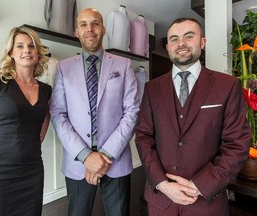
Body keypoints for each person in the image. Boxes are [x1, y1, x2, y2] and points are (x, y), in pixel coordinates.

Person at [135, 18, 251, 216]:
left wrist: (199, 185)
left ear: (202, 42)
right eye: (174, 39)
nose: (181, 43)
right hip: (161, 202)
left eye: (189, 36)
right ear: (168, 47)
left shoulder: (227, 85)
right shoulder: (152, 88)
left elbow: (237, 144)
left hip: (206, 203)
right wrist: (162, 183)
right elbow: (143, 137)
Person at [50, 8, 139, 216]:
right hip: (77, 160)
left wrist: (105, 155)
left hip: (115, 159)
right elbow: (58, 114)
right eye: (83, 24)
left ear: (103, 29)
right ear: (76, 32)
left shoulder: (124, 65)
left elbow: (132, 111)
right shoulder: (64, 68)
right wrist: (85, 156)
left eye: (95, 23)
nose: (89, 29)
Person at [0, 26, 52, 216]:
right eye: (20, 46)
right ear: (11, 52)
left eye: (31, 46)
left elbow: (39, 132)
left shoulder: (46, 91)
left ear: (38, 53)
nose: (26, 51)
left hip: (31, 173)